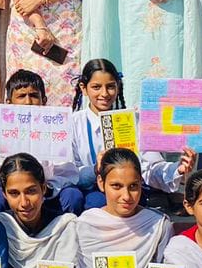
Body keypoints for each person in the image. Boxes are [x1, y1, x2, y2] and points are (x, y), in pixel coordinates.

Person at [69, 59, 191, 210]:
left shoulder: (133, 121)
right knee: (94, 202)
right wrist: (95, 169)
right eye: (96, 87)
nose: (104, 93)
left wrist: (177, 170)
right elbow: (70, 173)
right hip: (91, 190)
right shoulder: (73, 123)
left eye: (111, 86)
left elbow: (149, 166)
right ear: (84, 88)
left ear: (118, 86)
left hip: (129, 190)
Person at [0, 69, 82, 213]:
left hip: (49, 191)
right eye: (21, 96)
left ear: (44, 100)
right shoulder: (0, 128)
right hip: (15, 191)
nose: (28, 102)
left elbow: (68, 174)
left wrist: (47, 188)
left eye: (34, 96)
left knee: (72, 196)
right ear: (9, 102)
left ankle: (63, 227)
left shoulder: (56, 128)